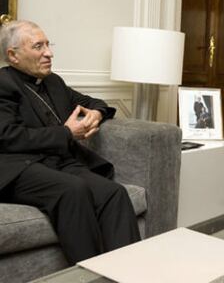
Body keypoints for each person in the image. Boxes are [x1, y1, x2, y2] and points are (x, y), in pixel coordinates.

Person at [0, 20, 140, 264]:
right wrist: (66, 133)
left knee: (114, 193)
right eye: (38, 46)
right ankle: (90, 276)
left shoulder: (53, 81)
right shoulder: (3, 84)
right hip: (20, 167)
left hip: (58, 162)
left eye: (48, 45)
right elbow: (8, 136)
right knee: (73, 190)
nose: (49, 53)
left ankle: (128, 272)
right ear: (13, 55)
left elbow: (93, 102)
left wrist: (97, 113)